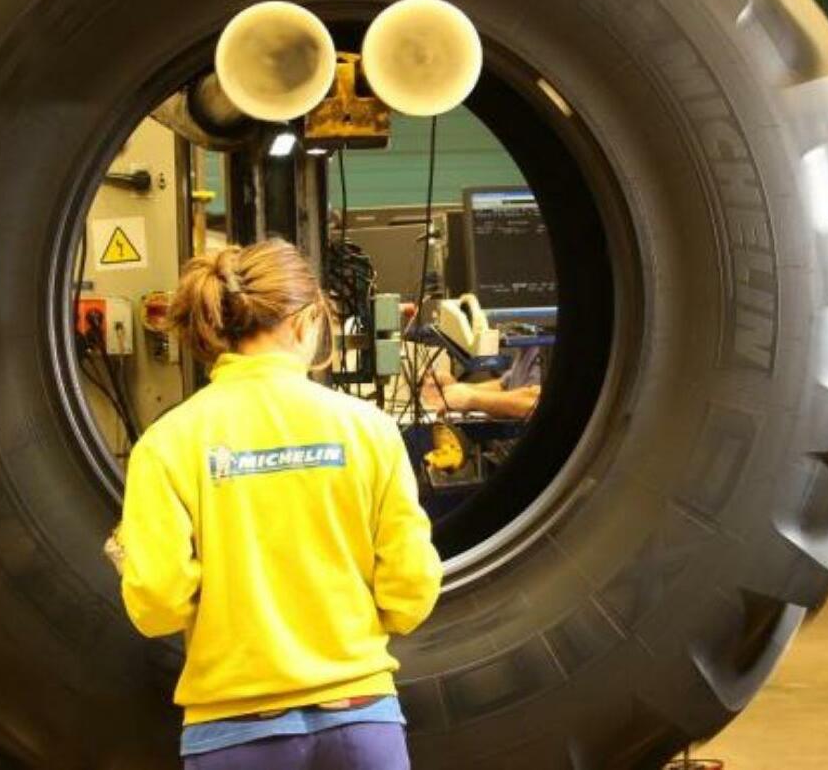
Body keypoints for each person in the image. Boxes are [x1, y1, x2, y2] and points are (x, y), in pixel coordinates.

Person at [111, 239, 442, 770]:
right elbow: (411, 593)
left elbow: (157, 605)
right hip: (360, 720)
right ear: (307, 320)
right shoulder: (369, 431)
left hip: (233, 733)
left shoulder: (169, 442)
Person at [419, 345, 543, 420]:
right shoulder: (529, 345)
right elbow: (504, 385)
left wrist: (471, 398)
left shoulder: (551, 337)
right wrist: (454, 388)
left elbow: (534, 402)